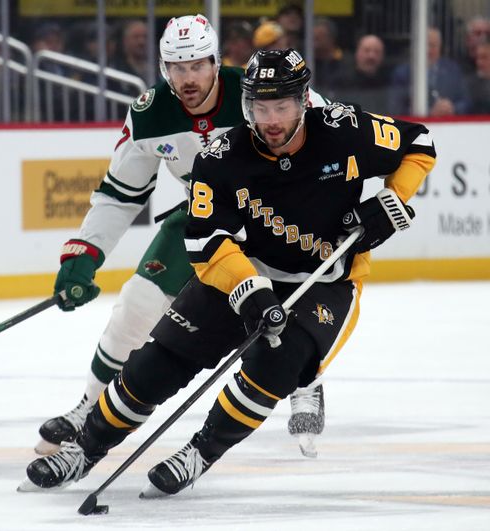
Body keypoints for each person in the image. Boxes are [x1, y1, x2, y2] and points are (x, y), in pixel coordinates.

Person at [22, 48, 436, 496]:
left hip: (322, 281)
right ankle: (84, 450)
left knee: (275, 363)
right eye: (260, 107)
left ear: (303, 102)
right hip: (241, 271)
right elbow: (203, 241)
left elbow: (419, 143)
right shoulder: (222, 156)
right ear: (247, 106)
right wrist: (250, 289)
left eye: (282, 106)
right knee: (157, 361)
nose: (271, 119)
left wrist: (391, 200)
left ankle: (200, 452)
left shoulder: (343, 129)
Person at [34, 15, 330, 463]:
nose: (188, 78)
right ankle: (88, 408)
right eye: (176, 67)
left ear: (215, 62)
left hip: (278, 221)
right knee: (135, 305)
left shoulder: (262, 89)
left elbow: (336, 136)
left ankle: (305, 378)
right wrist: (85, 253)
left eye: (196, 65)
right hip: (203, 219)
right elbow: (119, 193)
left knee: (280, 308)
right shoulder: (150, 113)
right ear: (162, 68)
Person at [389, 27, 469, 117]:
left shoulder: (452, 70)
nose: (428, 50)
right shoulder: (403, 73)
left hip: (450, 126)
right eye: (425, 45)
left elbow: (465, 102)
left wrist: (452, 108)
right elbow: (396, 108)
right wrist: (428, 112)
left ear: (440, 47)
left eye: (433, 45)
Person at [331, 34, 391, 115]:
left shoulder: (389, 82)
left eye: (377, 52)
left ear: (383, 56)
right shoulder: (341, 81)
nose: (371, 56)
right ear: (357, 53)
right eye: (367, 50)